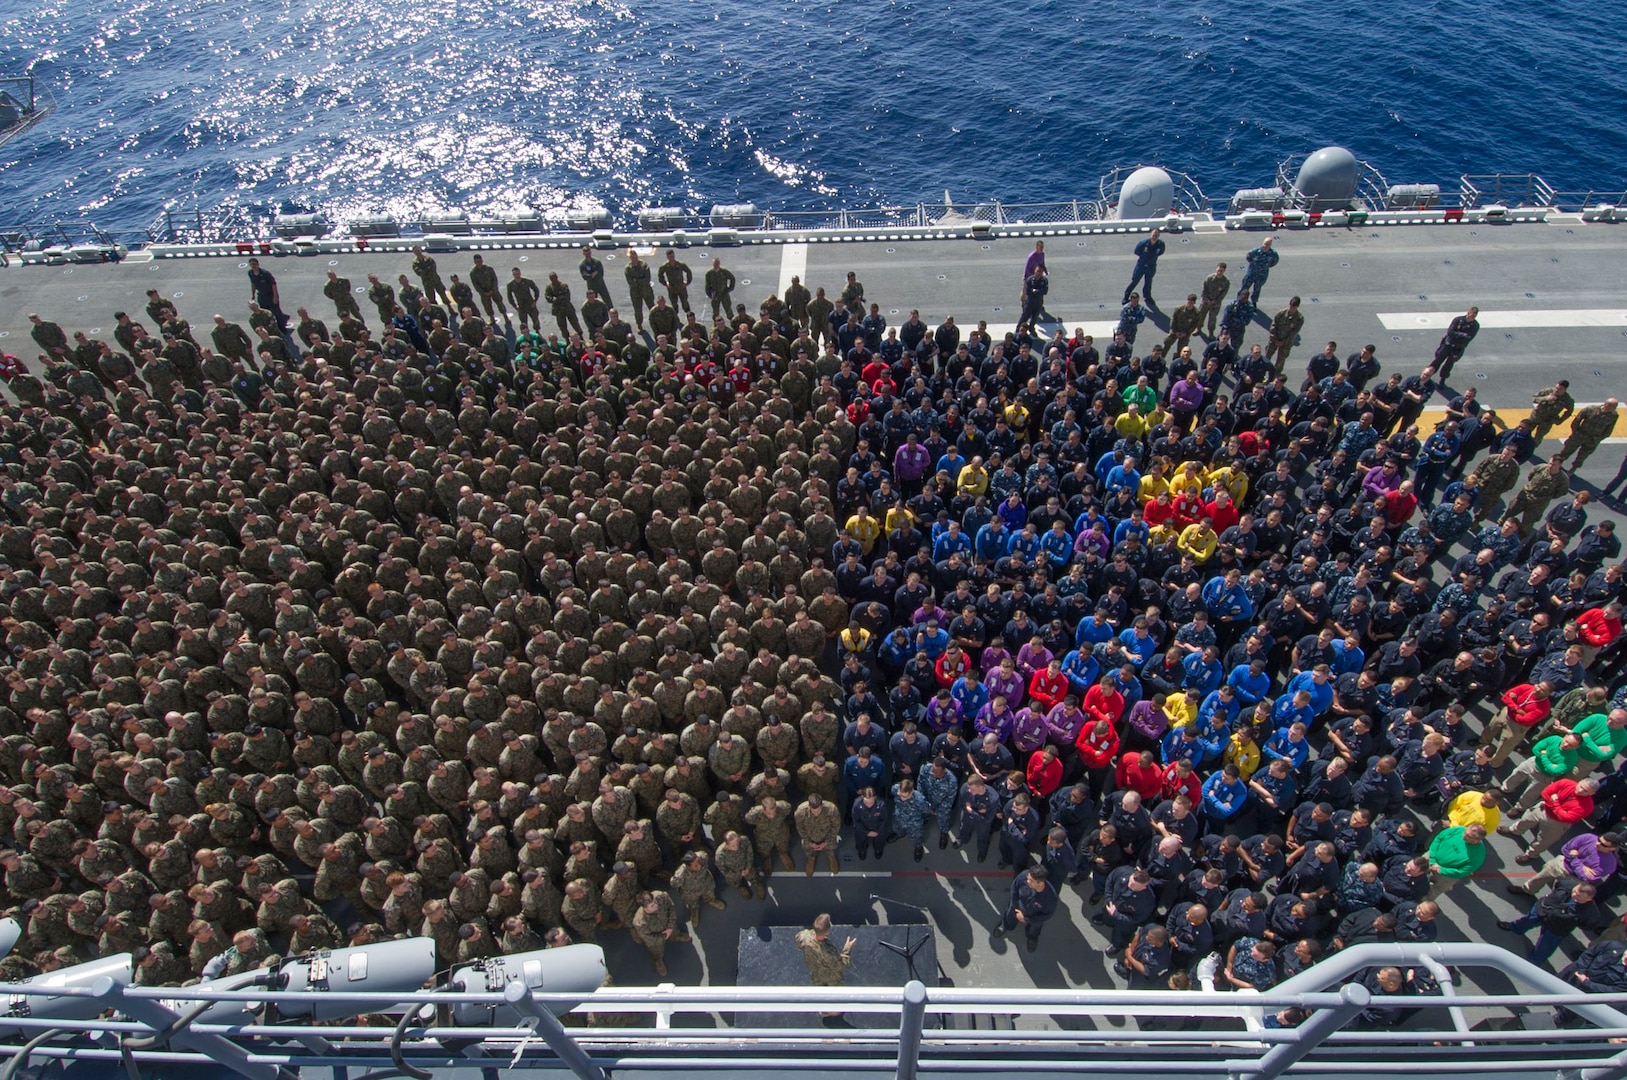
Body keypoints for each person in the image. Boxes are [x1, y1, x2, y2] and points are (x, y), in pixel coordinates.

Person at [795, 914, 857, 1020]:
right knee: (836, 993)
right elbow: (841, 964)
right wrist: (847, 949)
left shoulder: (804, 936)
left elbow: (798, 942)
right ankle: (833, 1012)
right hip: (831, 976)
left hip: (815, 972)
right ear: (827, 932)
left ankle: (823, 1009)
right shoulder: (828, 950)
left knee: (820, 992)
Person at [993, 867, 1059, 952]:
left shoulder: (1050, 897)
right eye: (1028, 878)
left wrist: (1026, 919)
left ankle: (1032, 938)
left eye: (1031, 881)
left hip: (1034, 915)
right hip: (1017, 906)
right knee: (1009, 916)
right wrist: (1014, 905)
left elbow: (1046, 915)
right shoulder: (1024, 876)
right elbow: (1014, 889)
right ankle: (1005, 925)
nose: (1027, 881)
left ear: (1040, 883)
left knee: (1035, 927)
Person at [1559, 399, 1621, 472]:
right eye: (1613, 406)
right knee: (1567, 450)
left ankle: (1573, 469)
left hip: (1593, 440)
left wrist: (1598, 439)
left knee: (1582, 456)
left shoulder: (1613, 416)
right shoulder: (1591, 409)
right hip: (1580, 435)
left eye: (1615, 406)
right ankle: (1557, 463)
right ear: (1606, 405)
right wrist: (1575, 432)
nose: (1614, 408)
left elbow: (1609, 430)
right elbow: (1577, 420)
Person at [1433, 306, 1480, 379]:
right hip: (1448, 345)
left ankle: (1442, 379)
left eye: (1475, 315)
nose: (1473, 317)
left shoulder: (1475, 325)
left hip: (1458, 348)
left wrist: (1458, 335)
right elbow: (1450, 332)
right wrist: (1462, 334)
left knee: (1448, 366)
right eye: (1472, 314)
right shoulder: (1458, 320)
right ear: (1468, 313)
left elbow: (1469, 338)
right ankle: (1429, 375)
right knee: (1437, 361)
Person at [1125, 229, 1165, 306]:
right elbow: (1137, 251)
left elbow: (1160, 252)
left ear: (1158, 236)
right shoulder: (1143, 243)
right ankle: (1126, 296)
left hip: (1151, 266)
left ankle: (1147, 297)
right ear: (1150, 235)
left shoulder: (1161, 244)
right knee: (1134, 281)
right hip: (1141, 266)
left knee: (1148, 282)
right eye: (1153, 235)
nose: (1154, 237)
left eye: (1156, 236)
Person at [1238, 238, 1278, 303]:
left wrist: (1266, 266)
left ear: (1270, 245)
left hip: (1262, 275)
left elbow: (1274, 262)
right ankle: (1239, 300)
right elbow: (1248, 257)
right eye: (1265, 244)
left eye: (1268, 244)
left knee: (1257, 289)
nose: (1265, 246)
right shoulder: (1255, 251)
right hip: (1251, 273)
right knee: (1244, 287)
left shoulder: (1273, 254)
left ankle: (1254, 302)